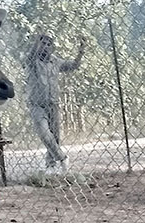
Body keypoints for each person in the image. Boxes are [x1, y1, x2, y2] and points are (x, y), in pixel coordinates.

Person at [26, 33, 85, 168]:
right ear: (37, 45)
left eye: (49, 44)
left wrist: (81, 51)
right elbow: (31, 55)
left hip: (53, 104)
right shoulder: (32, 61)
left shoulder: (55, 61)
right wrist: (37, 41)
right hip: (37, 105)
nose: (45, 47)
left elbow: (73, 66)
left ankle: (51, 166)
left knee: (55, 138)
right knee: (44, 133)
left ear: (52, 47)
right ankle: (62, 158)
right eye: (43, 44)